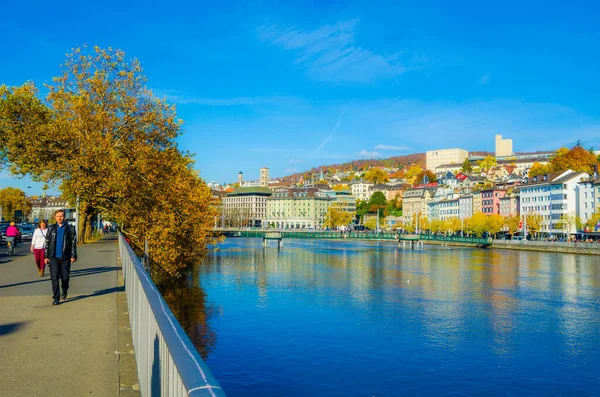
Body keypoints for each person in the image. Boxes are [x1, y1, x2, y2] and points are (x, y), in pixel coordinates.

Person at [44, 210, 77, 305]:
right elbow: (47, 243)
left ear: (64, 217)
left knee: (65, 277)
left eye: (61, 216)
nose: (59, 218)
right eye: (58, 216)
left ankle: (64, 288)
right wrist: (46, 256)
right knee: (54, 278)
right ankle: (56, 297)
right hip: (53, 257)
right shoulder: (51, 228)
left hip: (65, 257)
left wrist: (73, 255)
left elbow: (73, 242)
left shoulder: (70, 228)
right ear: (55, 217)